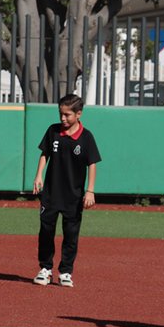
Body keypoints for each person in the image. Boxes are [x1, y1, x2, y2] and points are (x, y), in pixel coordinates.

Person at [31, 94, 101, 288]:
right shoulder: (53, 131)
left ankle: (66, 272)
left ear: (78, 114)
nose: (63, 118)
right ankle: (45, 269)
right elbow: (44, 154)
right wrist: (39, 176)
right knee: (46, 231)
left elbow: (92, 164)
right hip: (51, 193)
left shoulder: (86, 137)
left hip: (73, 196)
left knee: (70, 234)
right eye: (61, 114)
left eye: (67, 115)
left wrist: (90, 191)